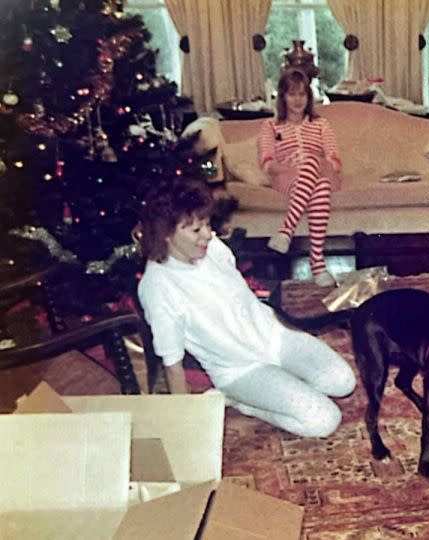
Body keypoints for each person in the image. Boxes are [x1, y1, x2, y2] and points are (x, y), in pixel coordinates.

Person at [137, 179, 356, 438]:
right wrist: (187, 429)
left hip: (275, 336)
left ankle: (282, 384)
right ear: (167, 234)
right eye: (197, 230)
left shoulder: (213, 248)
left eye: (207, 224)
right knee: (324, 420)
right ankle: (243, 402)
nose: (208, 235)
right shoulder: (158, 288)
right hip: (240, 370)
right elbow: (172, 365)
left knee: (343, 383)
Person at [258, 68, 342, 287]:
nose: (297, 100)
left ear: (309, 97)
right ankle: (317, 262)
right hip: (286, 178)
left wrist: (314, 163)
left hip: (320, 172)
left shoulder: (321, 124)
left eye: (302, 94)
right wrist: (291, 168)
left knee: (318, 172)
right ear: (283, 97)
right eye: (292, 94)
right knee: (320, 186)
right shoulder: (270, 126)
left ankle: (286, 232)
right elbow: (267, 164)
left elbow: (334, 159)